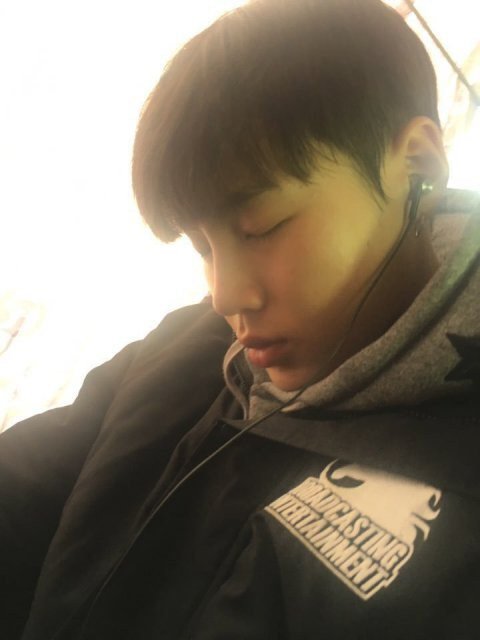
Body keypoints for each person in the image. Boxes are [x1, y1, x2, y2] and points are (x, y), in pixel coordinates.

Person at [1, 0, 479, 638]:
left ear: (417, 163)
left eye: (261, 228)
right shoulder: (185, 349)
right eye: (202, 247)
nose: (225, 296)